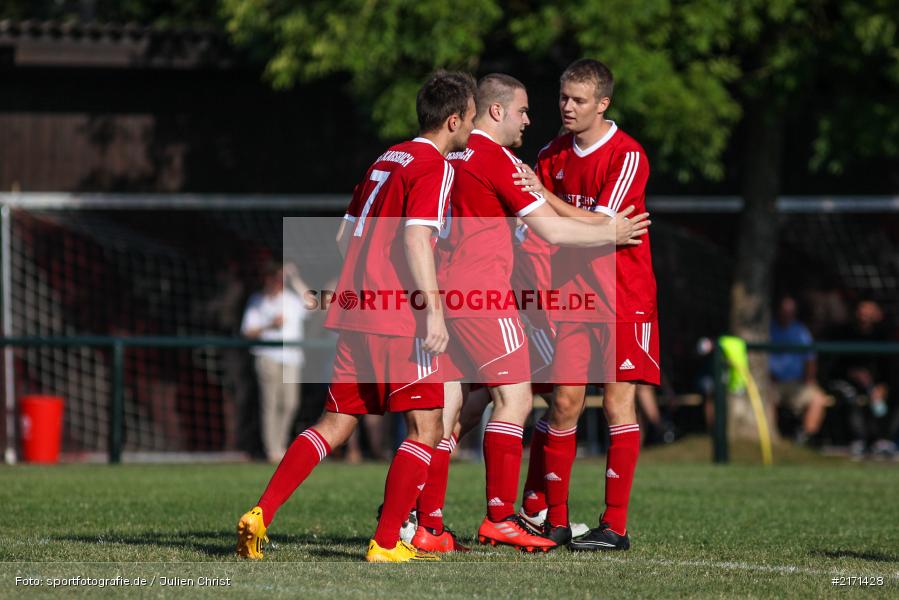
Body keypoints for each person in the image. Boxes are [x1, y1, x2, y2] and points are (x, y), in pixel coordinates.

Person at [235, 70, 477, 563]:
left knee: (333, 423)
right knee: (426, 427)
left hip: (355, 310)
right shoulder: (435, 166)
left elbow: (346, 238)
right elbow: (415, 239)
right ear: (453, 120)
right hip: (396, 315)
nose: (471, 129)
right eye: (470, 120)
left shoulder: (385, 159)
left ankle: (260, 514)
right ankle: (386, 543)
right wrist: (432, 313)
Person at [422, 73, 648, 553]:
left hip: (604, 297)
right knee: (517, 401)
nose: (553, 110)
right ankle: (511, 516)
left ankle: (423, 519)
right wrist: (607, 232)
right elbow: (558, 232)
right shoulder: (516, 158)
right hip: (496, 297)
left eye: (576, 99)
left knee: (455, 406)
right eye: (531, 108)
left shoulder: (438, 154)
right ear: (498, 111)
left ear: (603, 102)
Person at [514, 59, 658, 551]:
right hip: (572, 299)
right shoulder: (552, 153)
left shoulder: (627, 155)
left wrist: (547, 200)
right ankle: (555, 520)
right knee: (564, 402)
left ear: (603, 104)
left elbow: (603, 225)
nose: (567, 107)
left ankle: (614, 526)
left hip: (625, 298)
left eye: (578, 99)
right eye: (563, 97)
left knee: (619, 403)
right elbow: (542, 225)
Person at [241, 261, 309, 463]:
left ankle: (281, 444)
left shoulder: (291, 299)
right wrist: (270, 325)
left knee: (290, 403)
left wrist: (295, 279)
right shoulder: (257, 300)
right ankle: (273, 449)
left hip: (291, 358)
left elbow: (313, 302)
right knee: (270, 403)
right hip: (268, 357)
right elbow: (248, 331)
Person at [829, 299, 896, 457]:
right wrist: (852, 373)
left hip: (874, 385)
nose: (864, 314)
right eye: (862, 309)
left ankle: (883, 439)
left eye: (869, 310)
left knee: (888, 396)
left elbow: (889, 368)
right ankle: (858, 439)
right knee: (850, 395)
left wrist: (883, 386)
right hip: (846, 381)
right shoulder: (844, 333)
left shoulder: (883, 336)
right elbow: (834, 365)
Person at [768, 295, 829, 444]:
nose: (787, 314)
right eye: (784, 311)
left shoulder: (801, 331)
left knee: (818, 399)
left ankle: (806, 438)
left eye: (791, 311)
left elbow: (810, 359)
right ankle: (771, 438)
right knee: (767, 399)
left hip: (797, 383)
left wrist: (808, 380)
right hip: (771, 383)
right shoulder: (767, 329)